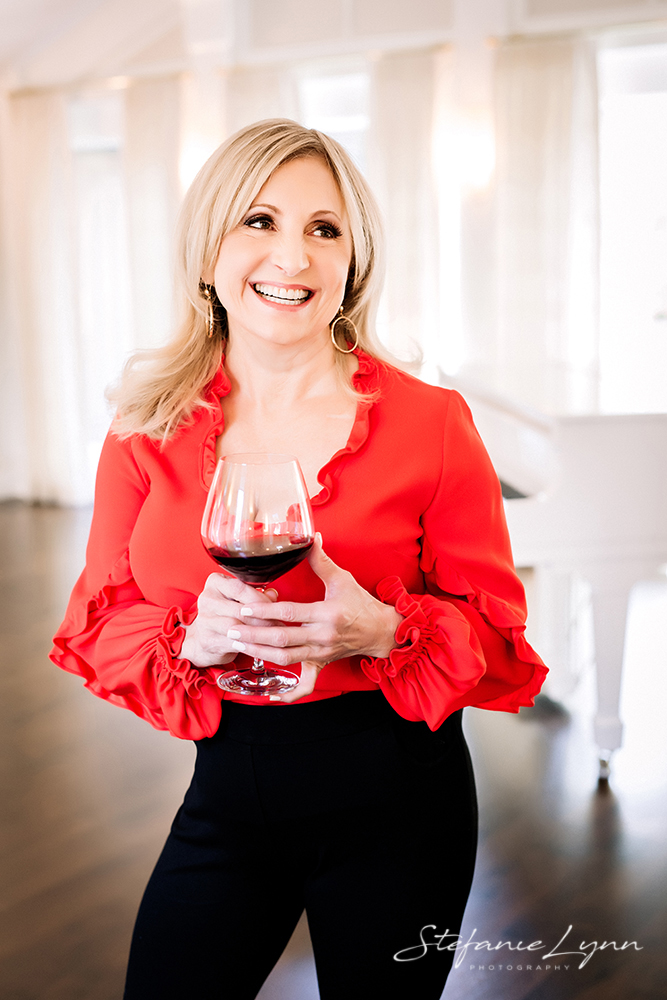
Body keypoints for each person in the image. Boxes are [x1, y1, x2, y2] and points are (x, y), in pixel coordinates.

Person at [51, 118, 547, 1000]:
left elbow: (498, 635)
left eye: (324, 229)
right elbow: (102, 615)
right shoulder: (144, 429)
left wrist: (386, 628)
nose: (293, 256)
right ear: (209, 251)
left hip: (404, 803)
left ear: (353, 261)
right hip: (229, 794)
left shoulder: (433, 423)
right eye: (259, 221)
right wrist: (191, 642)